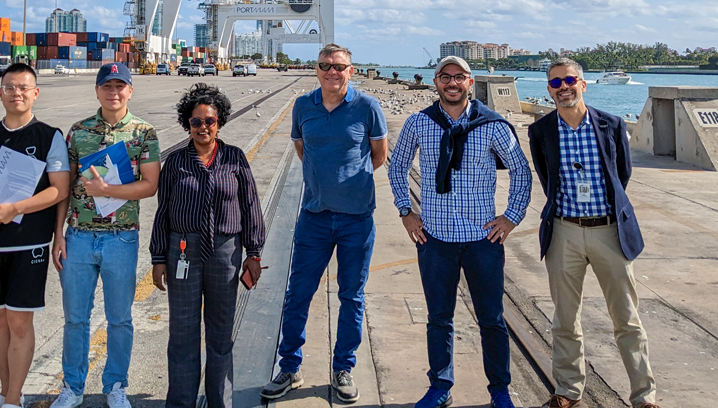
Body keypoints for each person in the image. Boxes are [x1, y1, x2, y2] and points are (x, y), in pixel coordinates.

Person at [388, 55, 532, 408]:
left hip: (482, 241)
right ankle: (440, 385)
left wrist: (511, 217)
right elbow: (397, 167)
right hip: (435, 241)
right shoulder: (419, 123)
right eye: (445, 77)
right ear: (436, 81)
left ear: (471, 83)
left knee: (492, 319)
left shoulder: (493, 125)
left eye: (460, 77)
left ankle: (499, 389)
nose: (452, 83)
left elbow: (521, 171)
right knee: (439, 318)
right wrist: (407, 212)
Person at [528, 58, 659, 408]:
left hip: (609, 231)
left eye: (569, 80)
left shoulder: (612, 124)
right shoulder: (541, 132)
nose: (563, 88)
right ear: (549, 90)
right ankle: (568, 391)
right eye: (555, 83)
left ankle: (644, 397)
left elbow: (622, 175)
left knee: (627, 318)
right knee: (565, 319)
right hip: (564, 232)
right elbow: (546, 178)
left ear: (583, 84)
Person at [260, 43, 387, 404]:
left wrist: (349, 183)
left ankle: (343, 368)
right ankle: (290, 367)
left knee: (351, 297)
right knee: (298, 295)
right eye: (325, 66)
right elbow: (302, 148)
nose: (332, 72)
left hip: (356, 220)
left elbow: (378, 155)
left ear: (351, 70)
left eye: (339, 66)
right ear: (316, 70)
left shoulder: (367, 107)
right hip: (314, 218)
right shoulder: (303, 106)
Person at [0, 63, 70, 408]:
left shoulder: (48, 136)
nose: (16, 93)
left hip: (30, 245)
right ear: (0, 92)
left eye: (24, 87)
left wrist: (16, 209)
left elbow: (59, 190)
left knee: (19, 320)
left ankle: (12, 399)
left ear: (35, 93)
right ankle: (6, 391)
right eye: (10, 87)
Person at [50, 62, 161, 408]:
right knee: (75, 319)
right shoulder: (78, 131)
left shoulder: (144, 132)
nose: (114, 93)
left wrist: (106, 188)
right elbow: (64, 187)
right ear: (96, 90)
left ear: (130, 90)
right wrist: (58, 235)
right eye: (107, 87)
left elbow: (150, 186)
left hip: (121, 238)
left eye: (120, 86)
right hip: (79, 236)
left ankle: (115, 385)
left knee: (120, 319)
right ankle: (73, 386)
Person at [150, 83, 266, 408]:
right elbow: (163, 213)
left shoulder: (234, 159)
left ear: (220, 122)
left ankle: (220, 402)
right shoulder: (174, 163)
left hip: (226, 253)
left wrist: (254, 253)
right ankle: (181, 403)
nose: (203, 127)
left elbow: (251, 207)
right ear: (187, 123)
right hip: (182, 251)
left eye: (209, 121)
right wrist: (159, 257)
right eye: (196, 121)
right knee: (183, 334)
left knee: (220, 335)